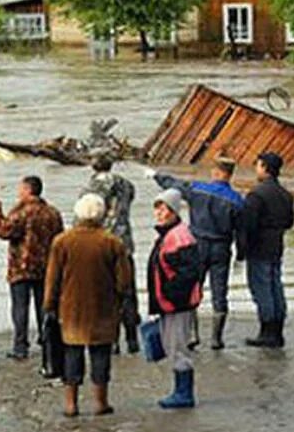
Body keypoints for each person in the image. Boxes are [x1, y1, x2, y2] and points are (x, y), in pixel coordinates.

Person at [44, 194, 132, 418]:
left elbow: (52, 279)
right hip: (102, 308)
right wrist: (123, 302)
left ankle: (71, 404)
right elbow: (124, 281)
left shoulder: (62, 241)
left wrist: (49, 305)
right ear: (101, 214)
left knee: (71, 354)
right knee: (101, 355)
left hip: (71, 308)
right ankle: (100, 402)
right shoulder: (112, 242)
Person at [150, 158, 243, 350]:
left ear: (216, 172)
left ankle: (192, 335)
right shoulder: (237, 200)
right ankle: (217, 339)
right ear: (230, 174)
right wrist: (241, 253)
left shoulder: (198, 189)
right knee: (220, 292)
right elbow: (242, 231)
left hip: (197, 245)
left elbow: (175, 186)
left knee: (192, 288)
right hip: (221, 248)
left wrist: (156, 176)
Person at [0, 175, 65, 360]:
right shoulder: (52, 212)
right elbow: (60, 239)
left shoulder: (21, 212)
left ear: (28, 190)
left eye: (21, 189)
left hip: (21, 268)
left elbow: (4, 231)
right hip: (45, 267)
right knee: (44, 306)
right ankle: (47, 341)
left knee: (20, 307)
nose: (19, 193)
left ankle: (20, 346)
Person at [147, 188, 203, 410]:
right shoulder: (170, 234)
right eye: (157, 207)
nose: (160, 212)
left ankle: (184, 394)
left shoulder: (179, 236)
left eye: (165, 208)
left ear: (174, 211)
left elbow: (189, 273)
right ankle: (180, 391)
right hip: (170, 303)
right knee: (173, 346)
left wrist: (170, 298)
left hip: (177, 304)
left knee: (178, 347)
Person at [83, 156, 140, 354]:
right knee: (128, 292)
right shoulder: (126, 184)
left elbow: (87, 214)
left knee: (107, 294)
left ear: (93, 166)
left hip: (103, 244)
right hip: (124, 242)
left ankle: (113, 339)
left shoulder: (92, 187)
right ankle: (132, 338)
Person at [239, 152, 294, 348]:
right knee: (275, 286)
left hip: (259, 247)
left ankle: (267, 332)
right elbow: (289, 222)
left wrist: (241, 250)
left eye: (258, 165)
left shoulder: (256, 195)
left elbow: (248, 225)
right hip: (276, 245)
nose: (256, 169)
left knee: (262, 289)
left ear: (264, 168)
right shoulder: (285, 195)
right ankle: (277, 331)